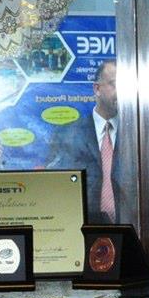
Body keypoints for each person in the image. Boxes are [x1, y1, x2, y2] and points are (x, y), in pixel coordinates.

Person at [44, 58, 125, 221]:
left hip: (132, 231)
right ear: (97, 89)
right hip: (80, 230)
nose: (121, 91)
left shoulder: (136, 134)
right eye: (114, 84)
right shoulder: (66, 134)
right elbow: (55, 190)